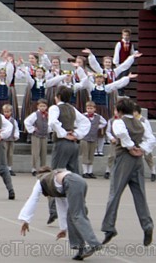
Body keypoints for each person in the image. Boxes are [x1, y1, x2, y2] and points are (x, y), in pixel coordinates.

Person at [101, 99, 156, 247]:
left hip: (124, 159)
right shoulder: (141, 123)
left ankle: (109, 227)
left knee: (115, 193)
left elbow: (121, 133)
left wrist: (130, 147)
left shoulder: (119, 121)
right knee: (140, 195)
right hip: (138, 161)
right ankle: (147, 225)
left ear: (119, 111)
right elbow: (151, 139)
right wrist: (142, 149)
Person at [19, 166, 102, 261]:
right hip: (79, 180)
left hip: (72, 182)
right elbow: (62, 205)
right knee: (72, 214)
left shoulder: (41, 180)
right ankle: (80, 249)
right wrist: (63, 229)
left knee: (77, 215)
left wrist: (25, 220)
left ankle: (94, 244)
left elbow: (33, 199)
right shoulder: (54, 178)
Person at [46, 85, 90, 223]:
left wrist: (63, 134)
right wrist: (76, 134)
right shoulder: (72, 109)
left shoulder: (55, 108)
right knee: (75, 175)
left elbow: (52, 122)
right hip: (73, 145)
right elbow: (86, 122)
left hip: (61, 144)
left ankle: (53, 210)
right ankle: (81, 206)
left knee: (55, 175)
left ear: (57, 96)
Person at [80, 101, 107, 179]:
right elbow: (77, 122)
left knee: (91, 155)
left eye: (91, 108)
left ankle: (90, 171)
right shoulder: (83, 116)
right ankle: (85, 172)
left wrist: (98, 127)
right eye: (88, 108)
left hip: (93, 138)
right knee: (85, 154)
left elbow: (104, 122)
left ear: (94, 109)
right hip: (85, 138)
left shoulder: (97, 117)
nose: (89, 110)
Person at [24, 99, 50, 176]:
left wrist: (48, 130)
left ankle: (43, 168)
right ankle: (34, 168)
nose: (42, 108)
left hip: (44, 135)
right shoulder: (35, 114)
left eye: (44, 106)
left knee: (43, 152)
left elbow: (50, 123)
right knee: (36, 152)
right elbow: (27, 121)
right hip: (36, 135)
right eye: (41, 106)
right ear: (38, 106)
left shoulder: (47, 115)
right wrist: (32, 129)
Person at [2, 104, 20, 176]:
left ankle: (9, 168)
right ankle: (3, 169)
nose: (6, 113)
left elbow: (16, 128)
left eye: (8, 112)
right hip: (4, 140)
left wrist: (16, 135)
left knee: (10, 154)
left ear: (11, 112)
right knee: (4, 154)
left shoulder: (13, 120)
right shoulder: (2, 120)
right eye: (5, 112)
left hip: (11, 139)